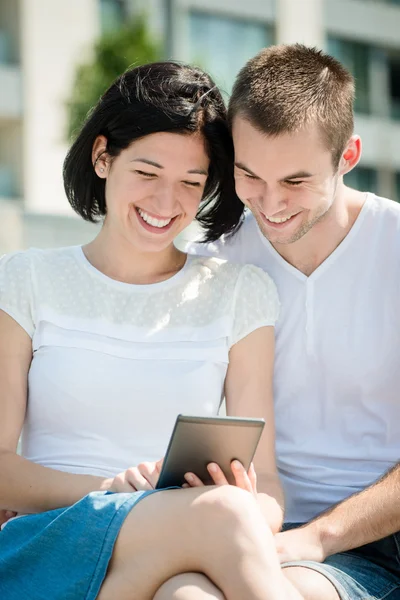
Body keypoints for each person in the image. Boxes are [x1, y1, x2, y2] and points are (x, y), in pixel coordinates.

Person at [0, 61, 299, 600]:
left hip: (183, 542)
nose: (167, 203)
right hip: (52, 539)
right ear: (102, 157)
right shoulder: (26, 279)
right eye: (147, 173)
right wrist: (111, 491)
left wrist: (249, 505)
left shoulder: (240, 293)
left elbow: (269, 483)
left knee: (191, 597)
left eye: (191, 182)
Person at [188, 44, 400, 600]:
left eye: (296, 182)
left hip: (374, 537)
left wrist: (320, 537)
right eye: (249, 175)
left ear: (348, 154)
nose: (270, 203)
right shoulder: (213, 261)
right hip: (260, 526)